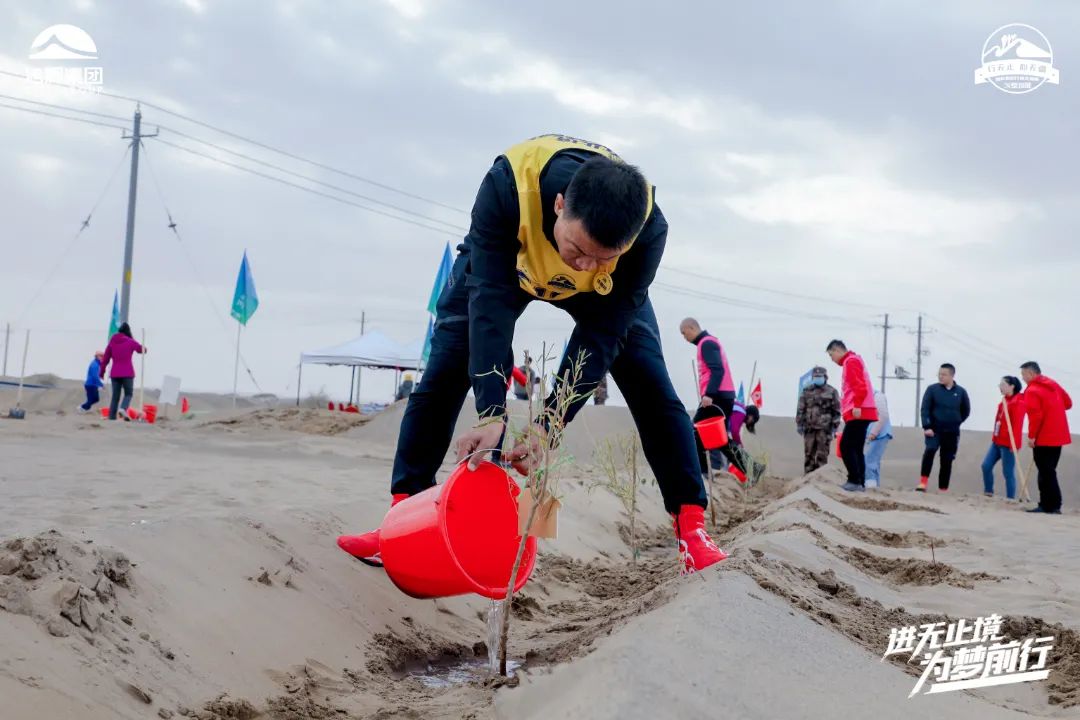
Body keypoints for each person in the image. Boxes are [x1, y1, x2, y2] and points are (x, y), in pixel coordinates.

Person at [337, 134, 726, 574]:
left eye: (602, 258)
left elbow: (601, 336)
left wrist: (548, 426)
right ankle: (399, 522)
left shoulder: (649, 230)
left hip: (604, 300)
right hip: (505, 268)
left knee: (654, 391)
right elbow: (488, 305)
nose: (580, 266)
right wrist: (490, 412)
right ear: (559, 205)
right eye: (576, 249)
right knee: (444, 372)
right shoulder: (507, 186)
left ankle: (692, 531)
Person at [680, 318, 748, 484]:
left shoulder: (707, 343)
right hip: (722, 395)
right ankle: (750, 468)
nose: (684, 337)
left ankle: (704, 474)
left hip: (717, 396)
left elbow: (717, 369)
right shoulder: (708, 342)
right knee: (720, 437)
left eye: (684, 333)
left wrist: (709, 394)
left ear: (691, 327)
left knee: (695, 431)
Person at [826, 340, 878, 492]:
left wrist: (857, 405)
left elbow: (859, 385)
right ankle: (859, 481)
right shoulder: (854, 360)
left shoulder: (851, 361)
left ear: (837, 350)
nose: (832, 359)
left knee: (846, 445)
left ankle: (854, 480)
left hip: (859, 411)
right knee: (855, 447)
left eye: (831, 355)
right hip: (862, 410)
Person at [1021, 362, 1072, 514]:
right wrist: (1053, 409)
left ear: (1031, 374)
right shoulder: (1053, 384)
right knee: (1050, 470)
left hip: (1044, 436)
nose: (1023, 378)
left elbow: (1035, 416)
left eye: (1023, 374)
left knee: (1045, 471)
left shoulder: (1032, 390)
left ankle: (1049, 505)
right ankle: (1052, 504)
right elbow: (1068, 403)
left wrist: (1032, 436)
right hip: (1059, 435)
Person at [918, 363, 971, 492]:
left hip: (952, 431)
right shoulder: (932, 389)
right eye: (939, 374)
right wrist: (927, 426)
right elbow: (925, 409)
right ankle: (923, 482)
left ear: (952, 375)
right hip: (934, 430)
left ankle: (943, 488)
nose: (940, 377)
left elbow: (966, 411)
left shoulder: (961, 392)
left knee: (947, 459)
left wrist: (956, 422)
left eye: (944, 374)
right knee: (930, 450)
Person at [982, 376, 1024, 500]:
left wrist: (1014, 445)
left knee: (1008, 472)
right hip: (997, 441)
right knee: (986, 465)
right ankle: (988, 491)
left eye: (1003, 384)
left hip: (1008, 443)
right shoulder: (1003, 402)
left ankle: (1010, 498)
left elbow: (1017, 425)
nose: (1000, 387)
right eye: (1000, 384)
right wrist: (994, 437)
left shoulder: (1018, 402)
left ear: (1012, 386)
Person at [795, 366, 842, 475]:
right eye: (815, 376)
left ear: (825, 377)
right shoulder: (807, 391)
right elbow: (801, 408)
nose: (817, 378)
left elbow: (836, 411)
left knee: (822, 454)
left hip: (824, 429)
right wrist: (799, 424)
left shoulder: (832, 391)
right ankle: (808, 478)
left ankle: (820, 478)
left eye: (819, 376)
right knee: (809, 454)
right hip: (809, 428)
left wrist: (834, 428)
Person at [100, 323, 145, 421]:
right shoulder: (130, 341)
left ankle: (111, 417)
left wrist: (102, 372)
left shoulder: (112, 342)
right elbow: (140, 349)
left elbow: (105, 359)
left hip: (115, 373)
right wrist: (144, 348)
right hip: (127, 373)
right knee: (128, 394)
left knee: (115, 396)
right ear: (128, 331)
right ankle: (123, 408)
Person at [863, 390, 892, 489]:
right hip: (872, 434)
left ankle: (871, 485)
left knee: (869, 459)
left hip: (880, 434)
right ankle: (875, 484)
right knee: (873, 460)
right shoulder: (865, 397)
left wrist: (873, 432)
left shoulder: (877, 396)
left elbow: (883, 415)